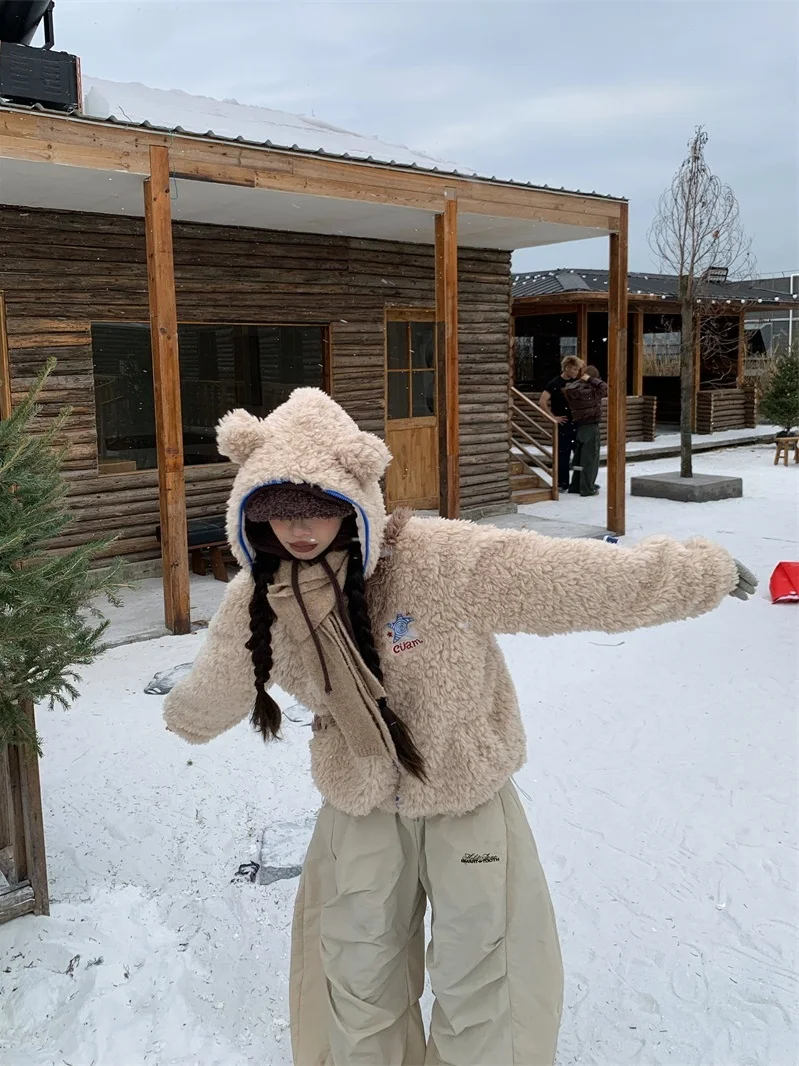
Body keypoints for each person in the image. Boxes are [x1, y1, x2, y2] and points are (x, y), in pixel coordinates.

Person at [163, 387, 757, 1066]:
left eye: (319, 510)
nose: (299, 530)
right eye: (276, 513)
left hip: (464, 790)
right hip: (357, 799)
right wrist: (188, 715)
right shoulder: (260, 595)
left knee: (487, 970)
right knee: (355, 972)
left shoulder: (440, 560)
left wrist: (693, 574)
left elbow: (571, 579)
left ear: (355, 497)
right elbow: (220, 678)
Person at [539, 355, 583, 492]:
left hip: (576, 423)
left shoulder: (578, 383)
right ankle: (562, 482)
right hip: (563, 424)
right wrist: (553, 418)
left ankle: (580, 482)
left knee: (580, 454)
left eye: (578, 369)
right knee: (563, 455)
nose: (576, 372)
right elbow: (542, 401)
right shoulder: (554, 383)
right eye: (575, 369)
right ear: (567, 368)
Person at [563, 364, 609, 497]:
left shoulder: (572, 389)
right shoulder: (593, 391)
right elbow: (604, 387)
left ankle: (576, 485)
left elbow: (570, 387)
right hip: (591, 426)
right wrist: (590, 379)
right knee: (590, 460)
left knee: (579, 459)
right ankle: (587, 488)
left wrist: (583, 379)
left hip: (579, 427)